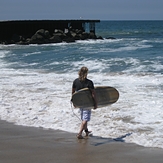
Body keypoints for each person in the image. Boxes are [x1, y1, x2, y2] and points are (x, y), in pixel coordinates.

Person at [72, 66, 97, 139]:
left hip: (79, 102)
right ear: (86, 73)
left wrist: (74, 101)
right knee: (85, 119)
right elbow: (93, 94)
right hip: (87, 103)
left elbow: (73, 92)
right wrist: (95, 103)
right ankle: (79, 134)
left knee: (83, 118)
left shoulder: (75, 81)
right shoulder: (89, 82)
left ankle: (86, 131)